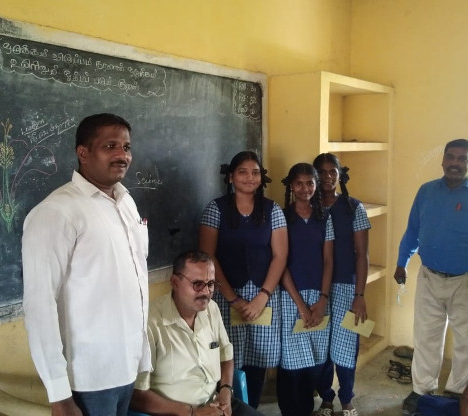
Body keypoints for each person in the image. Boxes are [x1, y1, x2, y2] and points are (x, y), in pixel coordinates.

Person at [22, 113, 150, 416]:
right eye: (110, 146)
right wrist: (59, 395)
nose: (122, 155)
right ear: (84, 153)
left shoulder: (126, 203)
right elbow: (39, 304)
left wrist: (142, 360)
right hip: (89, 379)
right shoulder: (56, 212)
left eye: (127, 147)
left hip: (127, 367)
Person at [395, 138, 468, 415]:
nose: (455, 163)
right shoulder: (426, 192)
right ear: (443, 160)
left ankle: (459, 393)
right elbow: (412, 231)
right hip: (430, 276)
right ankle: (421, 390)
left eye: (462, 159)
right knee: (425, 336)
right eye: (451, 157)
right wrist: (401, 262)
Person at [198, 151, 288, 408]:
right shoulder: (215, 209)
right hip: (228, 297)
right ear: (230, 177)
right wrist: (234, 299)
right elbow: (208, 257)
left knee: (258, 358)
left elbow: (280, 256)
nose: (250, 177)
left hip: (264, 296)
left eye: (255, 172)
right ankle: (230, 408)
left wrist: (263, 296)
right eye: (242, 172)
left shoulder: (272, 210)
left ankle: (253, 408)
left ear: (262, 178)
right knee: (229, 356)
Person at [130, 250, 264, 416]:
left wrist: (225, 392)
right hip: (175, 412)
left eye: (211, 284)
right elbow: (136, 395)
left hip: (214, 405)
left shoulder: (212, 310)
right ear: (175, 283)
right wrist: (192, 412)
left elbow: (226, 356)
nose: (206, 292)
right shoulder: (150, 324)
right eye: (198, 284)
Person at [312, 153, 371, 416]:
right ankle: (326, 398)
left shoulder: (352, 207)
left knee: (347, 346)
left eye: (331, 172)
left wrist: (360, 294)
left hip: (347, 288)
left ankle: (346, 399)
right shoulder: (306, 206)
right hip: (315, 289)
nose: (326, 177)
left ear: (339, 175)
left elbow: (362, 254)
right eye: (321, 172)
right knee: (321, 346)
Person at [276, 163, 334, 416]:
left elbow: (329, 260)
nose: (304, 188)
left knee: (315, 359)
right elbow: (280, 262)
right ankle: (292, 410)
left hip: (319, 295)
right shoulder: (282, 216)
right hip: (290, 296)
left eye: (309, 183)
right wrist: (300, 304)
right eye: (298, 183)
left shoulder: (324, 216)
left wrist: (322, 299)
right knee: (291, 363)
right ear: (291, 185)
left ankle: (307, 408)